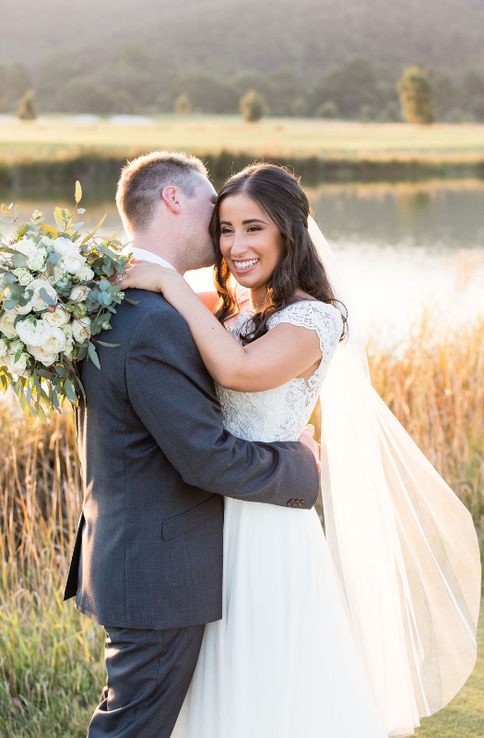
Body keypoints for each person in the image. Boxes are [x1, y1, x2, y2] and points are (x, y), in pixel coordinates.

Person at [120, 162, 481, 738]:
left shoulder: (313, 317)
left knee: (268, 679)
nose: (235, 245)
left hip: (266, 525)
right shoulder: (232, 309)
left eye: (253, 228)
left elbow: (238, 371)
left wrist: (168, 285)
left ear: (288, 232)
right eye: (225, 229)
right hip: (208, 522)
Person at [63, 152, 322, 738]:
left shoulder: (121, 300)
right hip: (159, 569)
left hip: (160, 556)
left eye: (246, 225)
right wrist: (299, 465)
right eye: (216, 210)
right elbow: (207, 455)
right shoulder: (150, 316)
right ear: (175, 200)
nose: (223, 230)